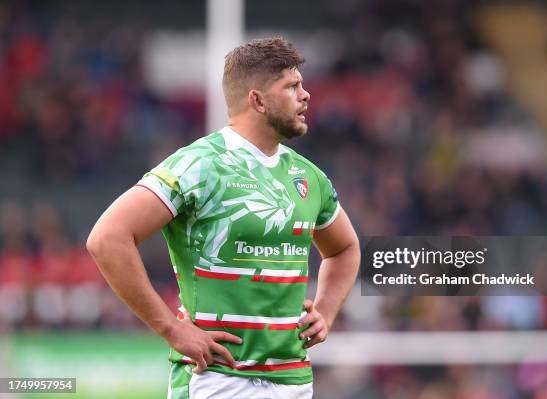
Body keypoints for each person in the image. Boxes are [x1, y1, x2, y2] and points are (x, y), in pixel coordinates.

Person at [87, 37, 360, 399]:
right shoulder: (199, 165)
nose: (305, 95)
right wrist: (171, 329)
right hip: (215, 380)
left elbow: (344, 248)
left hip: (293, 382)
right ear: (257, 100)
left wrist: (325, 310)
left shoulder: (308, 177)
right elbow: (107, 238)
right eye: (292, 86)